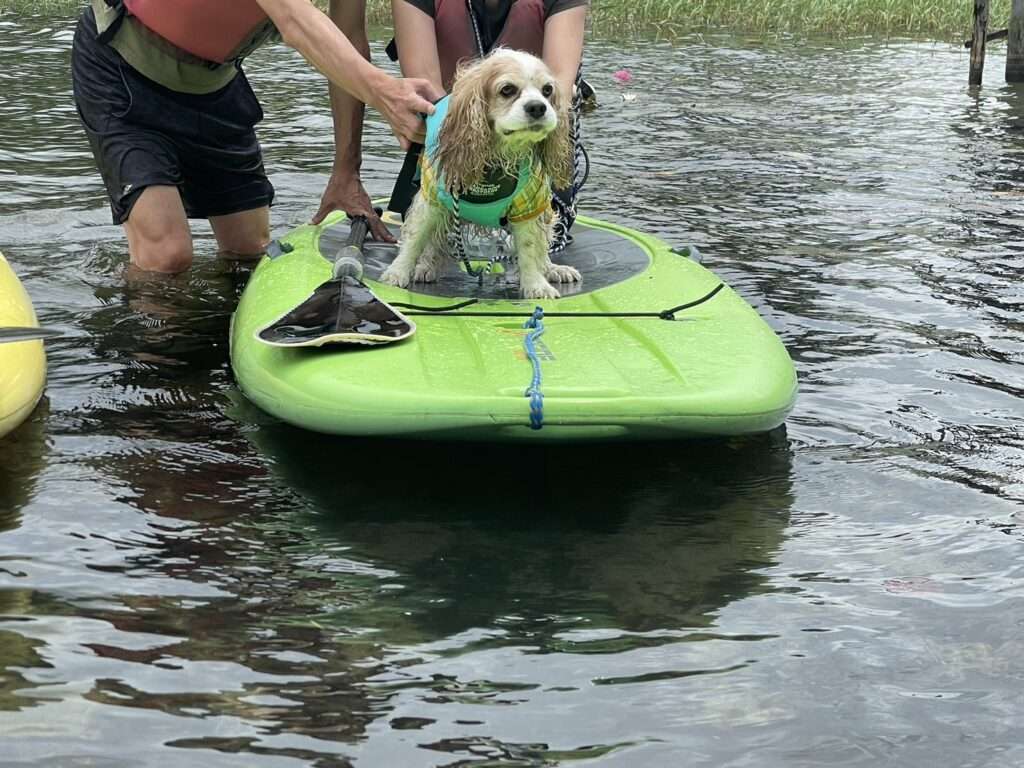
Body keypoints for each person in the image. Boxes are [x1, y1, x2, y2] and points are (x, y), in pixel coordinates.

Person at [72, 0, 443, 274]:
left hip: (215, 85)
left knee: (248, 252)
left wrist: (346, 172)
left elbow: (348, 37)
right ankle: (148, 361)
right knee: (167, 256)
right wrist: (385, 94)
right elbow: (294, 20)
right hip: (123, 69)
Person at [389, 0, 590, 253]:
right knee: (425, 244)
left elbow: (558, 91)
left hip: (530, 148)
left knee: (551, 235)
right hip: (454, 138)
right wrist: (474, 148)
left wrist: (516, 164)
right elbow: (428, 94)